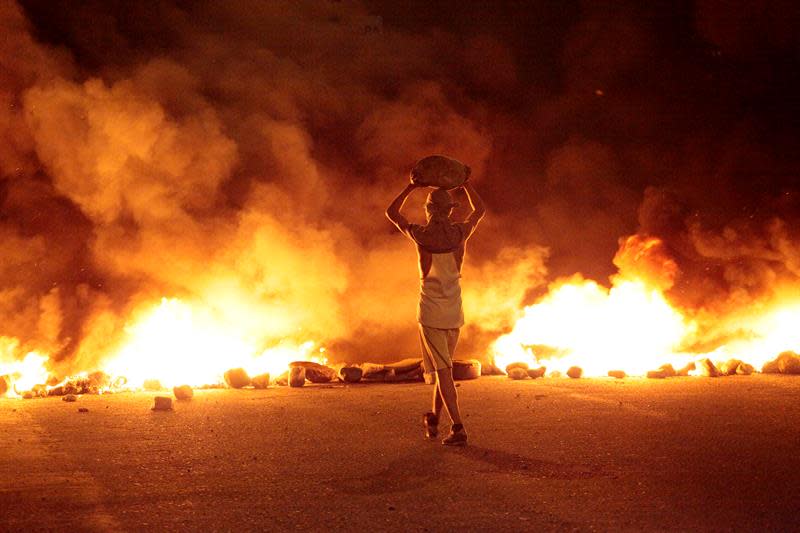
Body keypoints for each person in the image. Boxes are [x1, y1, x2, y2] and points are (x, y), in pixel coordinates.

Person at [385, 175, 485, 446]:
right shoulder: (460, 234)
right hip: (454, 314)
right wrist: (465, 182)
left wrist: (411, 187)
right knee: (444, 370)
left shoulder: (421, 235)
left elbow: (392, 213)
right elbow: (480, 211)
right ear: (450, 210)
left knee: (445, 372)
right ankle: (434, 419)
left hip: (430, 315)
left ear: (428, 210)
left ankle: (459, 427)